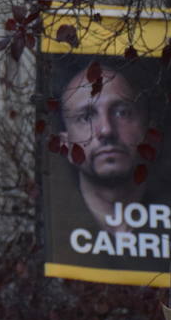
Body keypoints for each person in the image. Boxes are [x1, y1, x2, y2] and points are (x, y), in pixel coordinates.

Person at [56, 62, 149, 231]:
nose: (106, 130)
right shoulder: (57, 227)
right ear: (65, 145)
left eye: (122, 113)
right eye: (86, 117)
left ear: (148, 133)